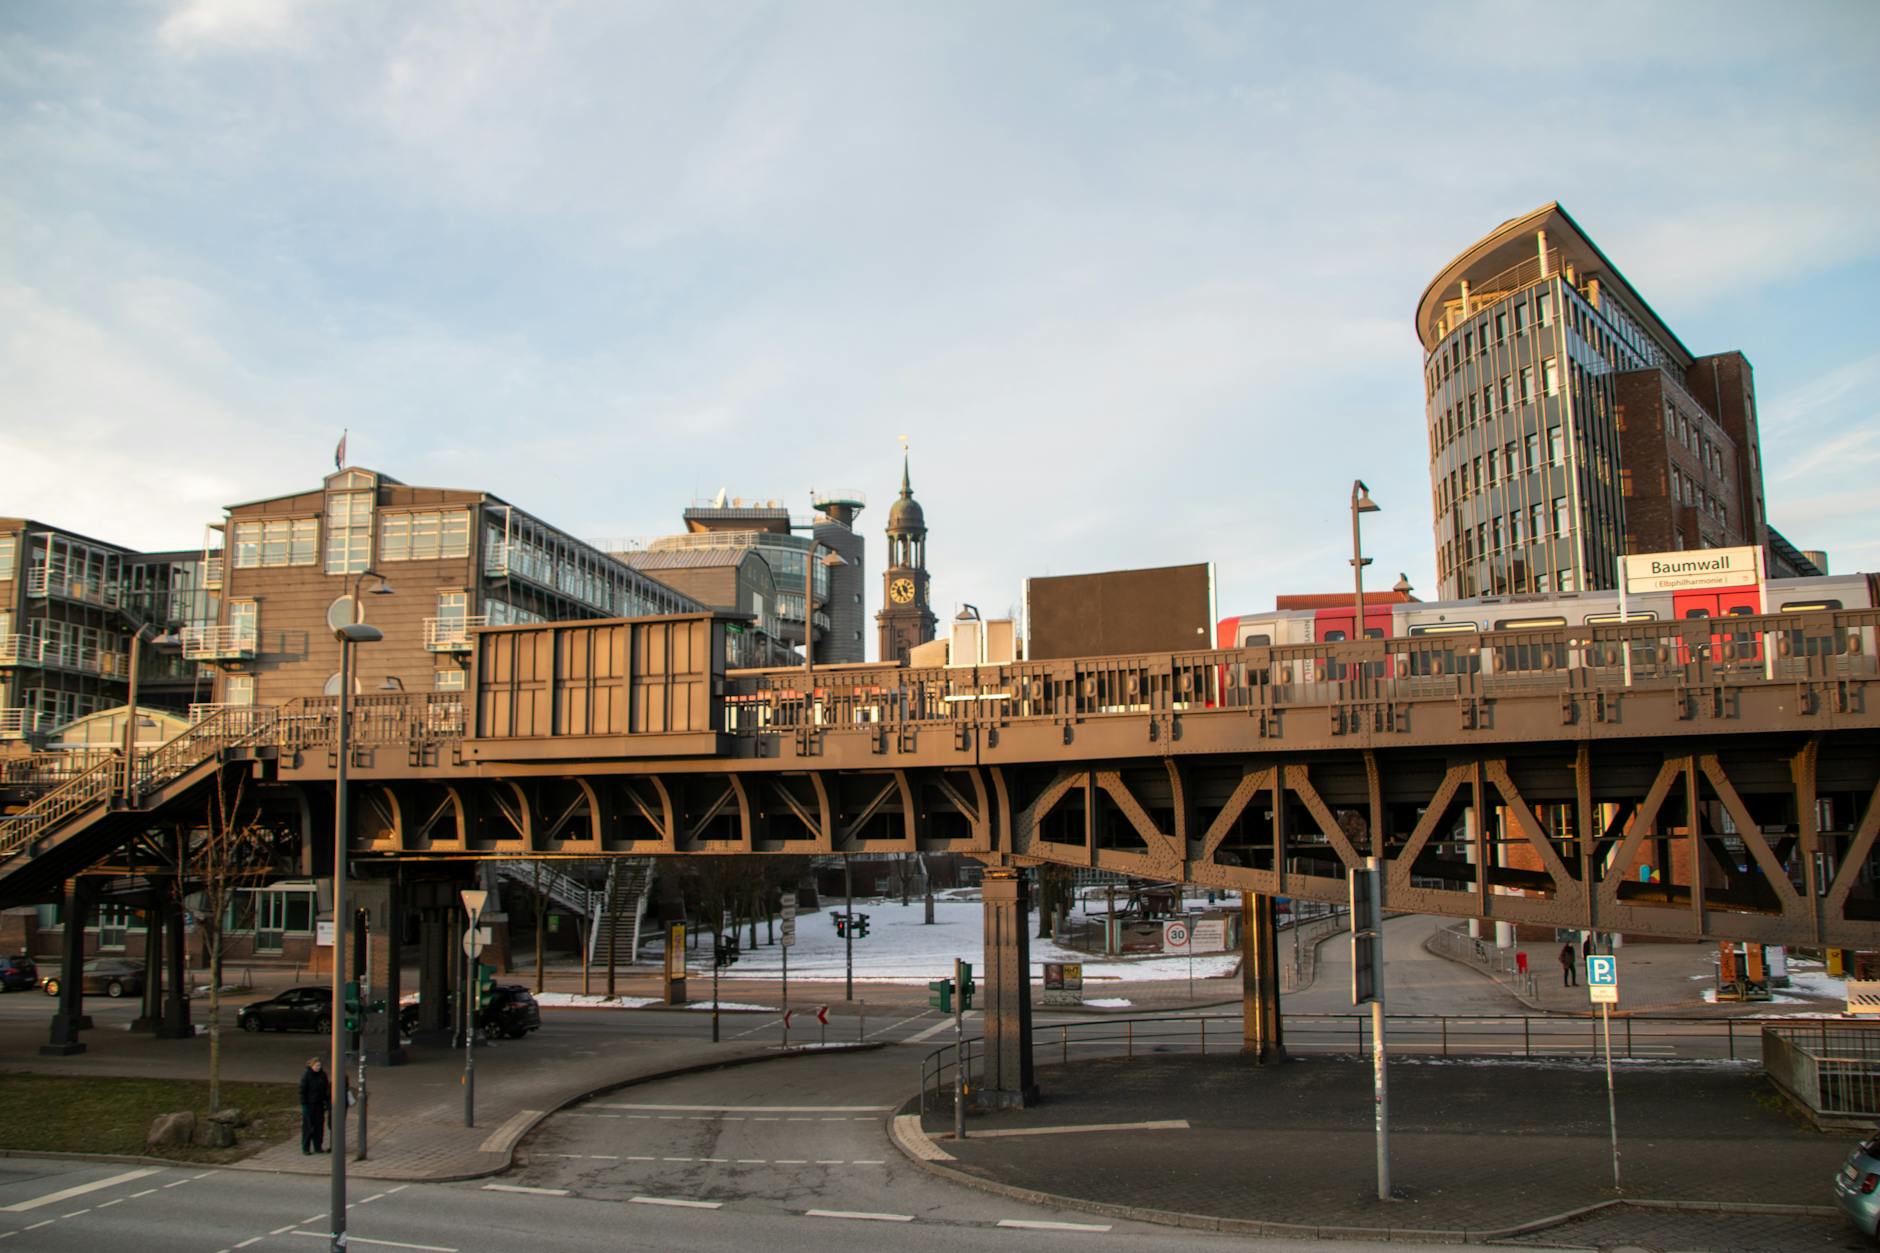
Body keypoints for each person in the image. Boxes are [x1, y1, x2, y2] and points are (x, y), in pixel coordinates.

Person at [299, 1056, 330, 1154]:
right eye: (316, 1065)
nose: (318, 1067)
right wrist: (304, 1103)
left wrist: (326, 1101)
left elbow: (326, 1089)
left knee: (319, 1127)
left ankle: (318, 1146)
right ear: (311, 1065)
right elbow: (302, 1090)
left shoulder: (322, 1075)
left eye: (319, 1066)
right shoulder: (307, 1075)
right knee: (308, 1127)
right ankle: (306, 1148)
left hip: (319, 1104)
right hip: (309, 1104)